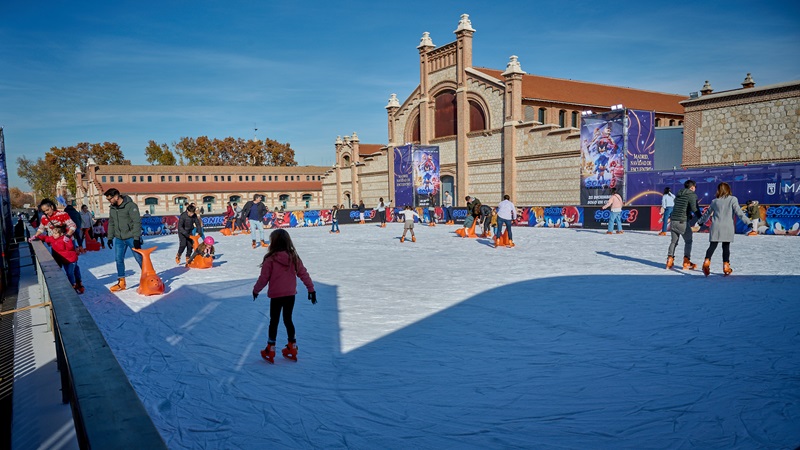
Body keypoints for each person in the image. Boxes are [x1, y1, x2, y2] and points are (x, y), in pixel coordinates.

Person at [252, 229, 316, 364]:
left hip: (276, 295)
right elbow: (303, 273)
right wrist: (311, 289)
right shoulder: (293, 257)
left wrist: (256, 290)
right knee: (288, 319)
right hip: (290, 294)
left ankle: (271, 347)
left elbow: (264, 278)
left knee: (274, 321)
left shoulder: (270, 259)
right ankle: (292, 346)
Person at [696, 182, 751, 276]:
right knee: (726, 247)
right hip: (727, 226)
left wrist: (701, 222)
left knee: (712, 246)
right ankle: (726, 266)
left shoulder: (714, 201)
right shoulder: (733, 199)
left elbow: (707, 214)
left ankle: (706, 261)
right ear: (728, 189)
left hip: (716, 226)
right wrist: (748, 222)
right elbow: (739, 213)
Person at [104, 188, 143, 292]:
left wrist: (136, 238)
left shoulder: (131, 206)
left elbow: (136, 222)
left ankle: (148, 277)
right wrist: (110, 238)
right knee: (118, 259)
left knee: (139, 258)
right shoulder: (112, 208)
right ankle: (121, 282)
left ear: (116, 196)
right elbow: (111, 223)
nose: (109, 201)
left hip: (131, 237)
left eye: (110, 199)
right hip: (119, 239)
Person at [30, 224, 84, 294]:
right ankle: (74, 284)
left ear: (61, 234)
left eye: (55, 233)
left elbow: (70, 248)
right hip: (64, 260)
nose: (54, 235)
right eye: (53, 233)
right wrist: (36, 237)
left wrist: (67, 241)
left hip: (71, 260)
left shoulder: (65, 239)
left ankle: (74, 285)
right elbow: (45, 238)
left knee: (70, 273)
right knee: (69, 272)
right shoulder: (52, 238)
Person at [666, 180, 702, 270]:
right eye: (695, 187)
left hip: (673, 221)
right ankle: (686, 262)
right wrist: (701, 219)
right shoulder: (692, 195)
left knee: (674, 241)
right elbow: (694, 208)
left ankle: (669, 260)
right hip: (683, 222)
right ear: (692, 187)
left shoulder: (679, 194)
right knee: (688, 241)